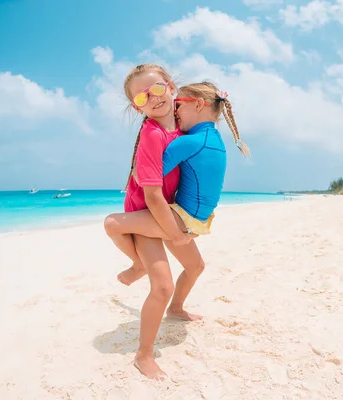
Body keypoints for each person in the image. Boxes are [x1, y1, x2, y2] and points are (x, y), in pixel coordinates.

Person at [103, 63, 198, 380]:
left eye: (157, 88)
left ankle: (176, 308)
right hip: (147, 215)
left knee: (196, 267)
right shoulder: (152, 135)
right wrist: (176, 234)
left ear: (170, 86)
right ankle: (143, 355)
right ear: (136, 107)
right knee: (162, 287)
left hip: (169, 211)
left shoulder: (182, 126)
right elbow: (153, 197)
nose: (153, 98)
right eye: (142, 97)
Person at [105, 80, 250, 285]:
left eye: (179, 104)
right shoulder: (215, 139)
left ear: (198, 105)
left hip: (182, 219)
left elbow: (147, 176)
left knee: (112, 224)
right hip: (200, 220)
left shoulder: (188, 142)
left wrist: (141, 163)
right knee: (196, 267)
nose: (175, 110)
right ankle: (176, 309)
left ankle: (138, 265)